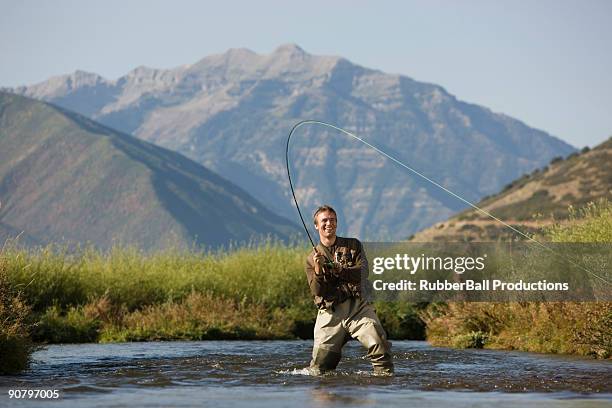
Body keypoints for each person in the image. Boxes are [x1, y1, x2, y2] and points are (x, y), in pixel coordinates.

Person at [305, 204, 394, 375]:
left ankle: (385, 383)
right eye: (324, 220)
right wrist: (318, 268)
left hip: (358, 309)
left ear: (337, 223)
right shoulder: (311, 258)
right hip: (330, 314)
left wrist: (341, 269)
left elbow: (364, 272)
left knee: (379, 345)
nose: (329, 223)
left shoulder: (353, 245)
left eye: (332, 220)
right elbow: (317, 291)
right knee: (319, 369)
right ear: (316, 226)